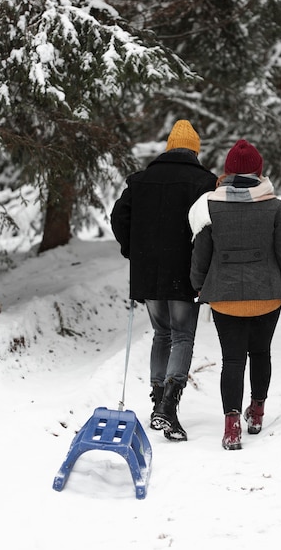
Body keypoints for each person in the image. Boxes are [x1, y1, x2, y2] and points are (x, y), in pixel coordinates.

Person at [188, 139, 281, 450]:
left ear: (227, 172)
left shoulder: (211, 205)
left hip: (225, 298)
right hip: (267, 296)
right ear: (259, 170)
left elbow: (201, 254)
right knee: (261, 353)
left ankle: (231, 428)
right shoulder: (273, 206)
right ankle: (257, 411)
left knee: (233, 360)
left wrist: (198, 285)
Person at [110, 120, 217, 442]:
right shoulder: (204, 182)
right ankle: (168, 407)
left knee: (161, 334)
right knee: (182, 335)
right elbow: (211, 227)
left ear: (168, 147)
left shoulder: (141, 181)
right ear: (195, 151)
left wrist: (132, 250)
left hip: (149, 272)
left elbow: (118, 217)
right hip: (185, 271)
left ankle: (158, 400)